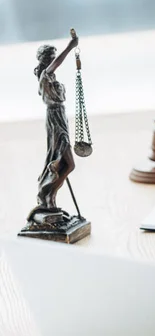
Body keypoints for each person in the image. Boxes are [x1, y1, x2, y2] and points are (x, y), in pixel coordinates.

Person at [29, 35, 79, 222]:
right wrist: (70, 46)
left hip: (60, 117)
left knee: (68, 165)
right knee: (69, 163)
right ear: (45, 60)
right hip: (55, 121)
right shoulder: (45, 75)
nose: (53, 60)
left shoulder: (51, 77)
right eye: (50, 57)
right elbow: (58, 63)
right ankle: (47, 194)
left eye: (53, 57)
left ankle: (50, 197)